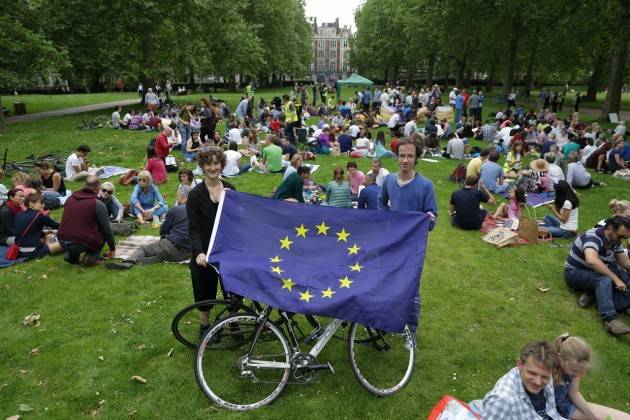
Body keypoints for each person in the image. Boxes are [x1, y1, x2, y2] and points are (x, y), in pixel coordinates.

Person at [377, 137, 437, 340]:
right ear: (396, 157)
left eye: (410, 156)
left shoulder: (426, 186)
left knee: (413, 291)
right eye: (402, 155)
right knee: (388, 283)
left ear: (416, 158)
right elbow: (381, 203)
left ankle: (410, 332)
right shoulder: (389, 181)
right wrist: (387, 221)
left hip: (413, 247)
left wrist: (429, 219)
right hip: (392, 243)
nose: (405, 160)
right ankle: (388, 321)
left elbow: (432, 219)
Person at [187, 148, 236, 338]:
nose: (213, 168)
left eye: (216, 163)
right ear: (202, 166)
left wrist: (232, 201)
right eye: (209, 164)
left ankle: (233, 322)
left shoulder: (230, 189)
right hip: (204, 252)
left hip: (227, 250)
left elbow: (236, 222)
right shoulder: (195, 195)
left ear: (221, 165)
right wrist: (199, 252)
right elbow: (194, 228)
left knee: (231, 290)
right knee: (204, 289)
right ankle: (205, 326)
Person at [564, 216, 630, 336]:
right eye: (620, 236)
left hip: (595, 272)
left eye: (625, 238)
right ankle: (610, 320)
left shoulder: (615, 241)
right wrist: (615, 279)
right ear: (609, 228)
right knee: (605, 280)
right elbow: (591, 261)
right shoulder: (593, 236)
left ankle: (593, 295)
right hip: (575, 272)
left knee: (624, 277)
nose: (621, 240)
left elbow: (624, 262)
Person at [107, 186, 193, 270]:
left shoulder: (175, 210)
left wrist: (165, 240)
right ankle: (156, 258)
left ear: (182, 197)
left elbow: (163, 231)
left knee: (143, 249)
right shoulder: (200, 211)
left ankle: (129, 262)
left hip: (173, 246)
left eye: (177, 196)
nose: (176, 198)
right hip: (189, 253)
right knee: (162, 252)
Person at [553, 334, 630, 419]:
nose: (579, 374)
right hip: (550, 409)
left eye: (582, 371)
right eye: (574, 371)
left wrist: (592, 414)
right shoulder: (546, 371)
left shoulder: (576, 368)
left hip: (565, 405)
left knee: (624, 418)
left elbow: (574, 392)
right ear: (560, 358)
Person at [482, 341, 565, 419]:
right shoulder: (502, 401)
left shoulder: (546, 372)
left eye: (544, 377)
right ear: (519, 364)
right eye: (532, 373)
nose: (538, 382)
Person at [58, 176, 116, 266]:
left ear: (84, 185)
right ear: (98, 188)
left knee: (76, 226)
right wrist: (112, 249)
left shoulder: (70, 199)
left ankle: (72, 256)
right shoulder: (97, 204)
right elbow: (107, 230)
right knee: (102, 229)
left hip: (62, 241)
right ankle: (91, 256)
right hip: (80, 243)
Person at [14, 193, 62, 260]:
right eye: (41, 203)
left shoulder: (19, 215)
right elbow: (58, 226)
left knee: (48, 234)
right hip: (33, 251)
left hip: (19, 251)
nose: (44, 205)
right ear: (31, 204)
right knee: (67, 244)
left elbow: (28, 231)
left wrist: (46, 232)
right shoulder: (39, 216)